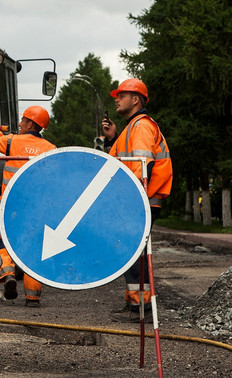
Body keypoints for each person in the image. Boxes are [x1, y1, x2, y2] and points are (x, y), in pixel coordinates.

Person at [102, 78, 172, 322]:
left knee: (133, 254)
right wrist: (112, 139)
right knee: (132, 254)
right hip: (138, 199)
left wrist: (131, 200)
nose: (116, 99)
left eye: (121, 95)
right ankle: (136, 306)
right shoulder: (132, 127)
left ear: (135, 99)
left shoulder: (141, 126)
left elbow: (143, 166)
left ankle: (140, 310)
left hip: (139, 200)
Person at [0, 106, 56, 305]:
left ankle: (7, 275)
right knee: (33, 248)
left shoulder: (13, 141)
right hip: (35, 210)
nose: (20, 124)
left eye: (23, 120)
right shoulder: (50, 149)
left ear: (31, 124)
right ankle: (32, 296)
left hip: (9, 206)